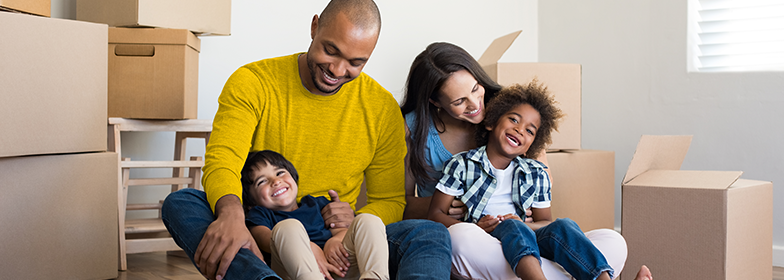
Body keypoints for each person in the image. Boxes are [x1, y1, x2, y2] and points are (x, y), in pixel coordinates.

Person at [161, 1, 451, 279]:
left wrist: (347, 224)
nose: (337, 70)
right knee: (182, 203)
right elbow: (223, 160)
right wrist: (232, 215)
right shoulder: (253, 82)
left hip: (341, 249)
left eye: (355, 62)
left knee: (429, 233)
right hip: (264, 238)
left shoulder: (382, 108)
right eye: (331, 50)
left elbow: (388, 199)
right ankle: (260, 276)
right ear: (315, 27)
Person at [400, 42, 647, 280]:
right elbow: (404, 204)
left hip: (524, 237)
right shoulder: (424, 135)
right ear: (435, 102)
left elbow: (543, 213)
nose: (476, 105)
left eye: (475, 88)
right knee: (463, 237)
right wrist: (462, 206)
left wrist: (528, 222)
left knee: (612, 241)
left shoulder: (512, 111)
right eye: (459, 101)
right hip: (474, 239)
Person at [429, 81, 620, 280]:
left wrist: (523, 224)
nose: (520, 130)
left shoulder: (536, 173)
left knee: (571, 227)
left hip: (528, 241)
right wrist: (476, 228)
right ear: (491, 122)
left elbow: (544, 222)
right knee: (471, 234)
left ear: (530, 146)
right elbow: (435, 214)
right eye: (513, 120)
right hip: (486, 242)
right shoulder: (462, 164)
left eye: (530, 131)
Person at [241, 150, 388, 280]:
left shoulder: (315, 203)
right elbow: (265, 240)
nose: (276, 181)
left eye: (280, 173)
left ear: (293, 178)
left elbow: (340, 228)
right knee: (287, 227)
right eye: (262, 181)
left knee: (368, 220)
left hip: (338, 266)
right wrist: (308, 247)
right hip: (294, 272)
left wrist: (335, 240)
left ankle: (373, 277)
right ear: (251, 202)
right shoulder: (259, 214)